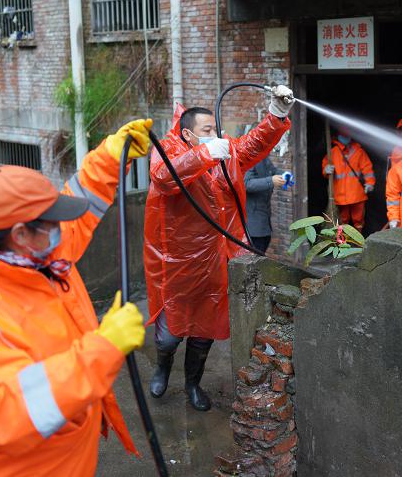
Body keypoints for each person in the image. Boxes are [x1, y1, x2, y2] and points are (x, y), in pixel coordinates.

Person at [0, 118, 154, 477]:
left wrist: (111, 157)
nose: (59, 229)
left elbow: (75, 211)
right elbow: (0, 412)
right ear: (20, 233)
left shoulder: (22, 250)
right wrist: (103, 349)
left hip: (60, 458)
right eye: (49, 223)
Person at [143, 86, 294, 409]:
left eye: (215, 130)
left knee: (205, 329)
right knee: (169, 334)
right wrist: (205, 154)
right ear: (187, 134)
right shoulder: (169, 149)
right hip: (178, 264)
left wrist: (276, 114)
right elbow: (163, 177)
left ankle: (193, 384)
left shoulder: (225, 154)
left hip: (217, 260)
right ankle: (162, 367)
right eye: (207, 131)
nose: (215, 135)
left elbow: (254, 143)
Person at [321, 128, 375, 232]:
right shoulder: (332, 152)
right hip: (341, 194)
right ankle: (343, 242)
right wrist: (326, 170)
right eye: (343, 135)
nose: (345, 138)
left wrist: (370, 183)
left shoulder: (359, 151)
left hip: (356, 194)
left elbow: (367, 169)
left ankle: (357, 241)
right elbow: (325, 169)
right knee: (342, 220)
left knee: (358, 220)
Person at [244, 155, 287, 254]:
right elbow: (246, 183)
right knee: (255, 256)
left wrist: (286, 175)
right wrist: (271, 181)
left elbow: (273, 170)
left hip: (264, 218)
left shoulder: (263, 156)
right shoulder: (248, 158)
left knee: (263, 246)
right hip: (253, 223)